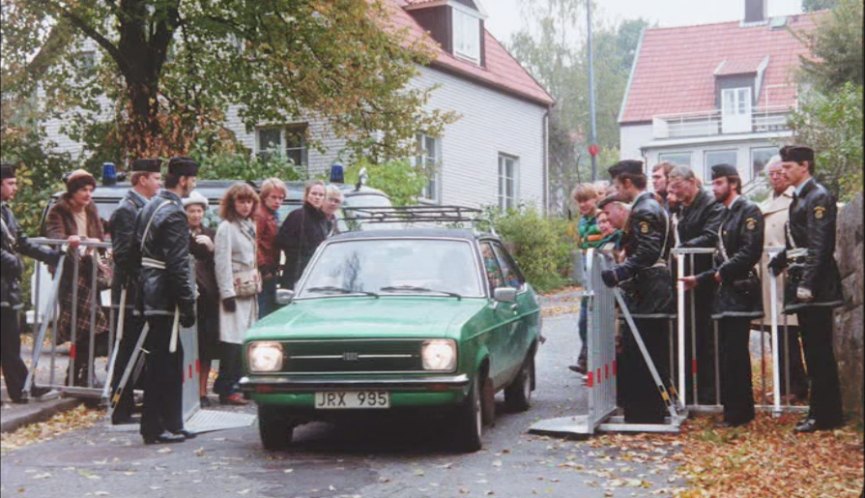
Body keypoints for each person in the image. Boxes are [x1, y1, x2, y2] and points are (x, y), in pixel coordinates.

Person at [768, 145, 844, 433]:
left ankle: (825, 415)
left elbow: (820, 244)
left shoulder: (818, 196)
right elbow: (798, 241)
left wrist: (808, 284)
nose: (784, 171)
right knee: (813, 351)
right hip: (804, 280)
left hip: (816, 286)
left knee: (818, 352)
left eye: (788, 167)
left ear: (805, 166)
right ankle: (823, 412)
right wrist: (781, 258)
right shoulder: (801, 197)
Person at [681, 164, 763, 427]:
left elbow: (750, 251)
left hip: (740, 290)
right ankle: (735, 410)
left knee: (736, 355)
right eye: (713, 183)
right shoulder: (727, 214)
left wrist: (719, 274)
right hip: (727, 291)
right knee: (729, 354)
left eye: (719, 183)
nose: (714, 188)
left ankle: (738, 414)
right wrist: (700, 279)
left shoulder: (748, 210)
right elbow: (720, 257)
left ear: (733, 184)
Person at [600, 160, 674, 424]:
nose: (616, 191)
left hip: (650, 289)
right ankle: (646, 409)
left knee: (645, 350)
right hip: (650, 286)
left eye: (617, 186)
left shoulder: (645, 209)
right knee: (644, 348)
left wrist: (621, 272)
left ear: (628, 183)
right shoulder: (651, 206)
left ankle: (646, 411)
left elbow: (647, 251)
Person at [133, 156, 199, 444]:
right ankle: (156, 426)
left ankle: (171, 422)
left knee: (167, 359)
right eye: (192, 179)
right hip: (164, 294)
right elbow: (176, 263)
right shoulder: (173, 213)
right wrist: (187, 303)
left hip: (149, 289)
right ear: (184, 180)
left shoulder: (149, 205)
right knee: (165, 362)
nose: (193, 185)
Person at [1, 163, 61, 403]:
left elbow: (22, 242)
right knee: (8, 341)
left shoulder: (7, 212)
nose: (15, 187)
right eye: (10, 183)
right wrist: (15, 263)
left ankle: (22, 388)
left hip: (7, 288)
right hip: (3, 285)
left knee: (10, 341)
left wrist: (52, 255)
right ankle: (23, 387)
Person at [44, 169, 109, 386]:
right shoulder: (59, 210)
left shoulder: (91, 210)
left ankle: (81, 372)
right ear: (73, 191)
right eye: (83, 189)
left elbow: (100, 237)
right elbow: (53, 235)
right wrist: (69, 240)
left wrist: (98, 248)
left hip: (90, 273)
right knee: (81, 328)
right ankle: (80, 374)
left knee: (93, 328)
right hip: (71, 275)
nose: (88, 194)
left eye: (91, 190)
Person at [666, 165, 725, 405]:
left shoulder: (711, 205)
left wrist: (683, 249)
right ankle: (690, 388)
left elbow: (711, 235)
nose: (675, 192)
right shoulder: (683, 208)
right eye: (672, 188)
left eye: (678, 187)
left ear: (692, 182)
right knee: (689, 335)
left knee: (706, 336)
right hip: (686, 276)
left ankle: (710, 391)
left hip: (706, 277)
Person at [108, 158, 161, 424]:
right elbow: (124, 254)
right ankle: (120, 406)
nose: (159, 183)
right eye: (155, 178)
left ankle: (127, 402)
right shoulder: (127, 209)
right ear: (142, 179)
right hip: (130, 290)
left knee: (138, 347)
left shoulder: (143, 207)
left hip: (141, 289)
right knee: (127, 346)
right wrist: (145, 276)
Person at [755, 156, 807, 403]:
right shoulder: (767, 203)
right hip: (769, 275)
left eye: (779, 172)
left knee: (788, 332)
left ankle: (797, 387)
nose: (776, 177)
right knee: (776, 333)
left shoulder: (795, 202)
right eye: (772, 174)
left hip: (787, 274)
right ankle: (784, 385)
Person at [213, 183, 260, 406]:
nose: (245, 206)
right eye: (241, 201)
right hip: (234, 290)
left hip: (249, 290)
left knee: (245, 340)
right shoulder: (226, 227)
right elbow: (221, 262)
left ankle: (241, 384)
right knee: (231, 342)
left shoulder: (250, 225)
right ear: (232, 203)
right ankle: (227, 387)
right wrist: (227, 293)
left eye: (249, 201)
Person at [184, 191, 221, 407]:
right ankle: (186, 389)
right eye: (192, 211)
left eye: (199, 211)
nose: (196, 215)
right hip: (189, 296)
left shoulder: (211, 233)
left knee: (206, 348)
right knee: (188, 346)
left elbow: (220, 262)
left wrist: (212, 247)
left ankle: (202, 391)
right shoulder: (180, 233)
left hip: (208, 297)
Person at [570, 183, 605, 374]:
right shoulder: (582, 221)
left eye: (586, 200)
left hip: (600, 276)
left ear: (595, 199)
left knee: (598, 321)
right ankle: (586, 358)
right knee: (583, 322)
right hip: (587, 277)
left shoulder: (602, 218)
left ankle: (591, 362)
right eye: (579, 201)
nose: (582, 204)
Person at [277, 180, 328, 290]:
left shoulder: (323, 219)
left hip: (316, 273)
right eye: (314, 194)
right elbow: (282, 240)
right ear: (306, 195)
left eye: (321, 195)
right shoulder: (297, 216)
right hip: (296, 273)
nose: (317, 197)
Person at [254, 178, 286, 318]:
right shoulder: (260, 215)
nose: (278, 201)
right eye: (274, 197)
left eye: (281, 198)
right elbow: (254, 243)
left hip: (271, 268)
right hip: (263, 271)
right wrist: (264, 268)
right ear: (264, 196)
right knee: (263, 309)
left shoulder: (272, 215)